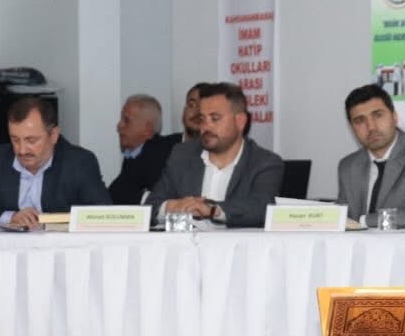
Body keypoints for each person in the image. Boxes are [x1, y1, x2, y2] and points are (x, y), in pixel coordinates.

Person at [0, 95, 111, 227]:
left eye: (31, 140)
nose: (21, 150)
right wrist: (9, 217)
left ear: (53, 135)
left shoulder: (79, 162)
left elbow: (103, 216)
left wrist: (49, 221)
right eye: (15, 139)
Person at [147, 82, 283, 228]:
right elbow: (150, 207)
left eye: (215, 118)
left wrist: (213, 210)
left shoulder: (264, 163)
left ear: (240, 121)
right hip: (186, 241)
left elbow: (261, 209)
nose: (206, 127)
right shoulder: (182, 155)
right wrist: (171, 207)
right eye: (202, 119)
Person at [336, 84, 405, 227]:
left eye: (378, 115)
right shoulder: (348, 166)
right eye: (360, 121)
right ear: (352, 128)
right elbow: (342, 220)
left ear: (394, 117)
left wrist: (365, 221)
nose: (371, 127)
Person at [108, 94, 179, 205]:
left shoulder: (158, 156)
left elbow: (120, 194)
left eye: (126, 120)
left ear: (148, 130)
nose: (119, 126)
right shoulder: (133, 156)